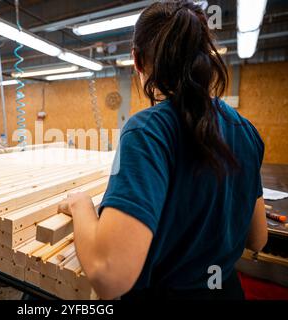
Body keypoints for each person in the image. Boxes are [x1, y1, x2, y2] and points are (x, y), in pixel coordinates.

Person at [58, 0, 267, 300]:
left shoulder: (147, 131)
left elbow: (109, 274)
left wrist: (81, 205)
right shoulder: (246, 130)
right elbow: (257, 239)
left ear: (137, 61)